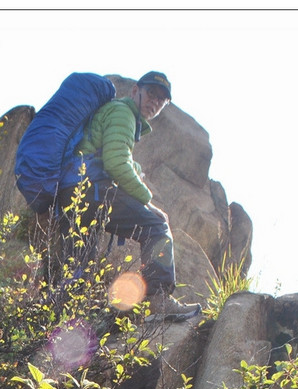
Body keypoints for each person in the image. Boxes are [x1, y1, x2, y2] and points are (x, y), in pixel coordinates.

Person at [56, 71, 200, 321]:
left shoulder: (119, 114)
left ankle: (63, 318)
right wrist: (146, 199)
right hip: (92, 189)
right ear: (135, 91)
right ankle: (159, 300)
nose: (154, 102)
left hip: (73, 192)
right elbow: (115, 162)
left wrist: (136, 170)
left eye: (161, 99)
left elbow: (113, 154)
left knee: (80, 263)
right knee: (156, 226)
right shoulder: (124, 114)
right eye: (151, 94)